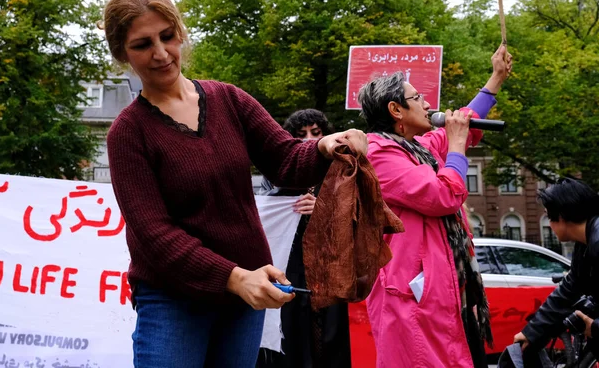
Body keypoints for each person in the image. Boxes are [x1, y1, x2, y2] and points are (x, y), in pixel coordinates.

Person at [102, 0, 367, 368]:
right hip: (172, 298)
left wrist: (326, 145)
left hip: (245, 292)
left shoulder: (229, 99)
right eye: (142, 44)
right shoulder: (128, 133)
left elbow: (285, 159)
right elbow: (156, 235)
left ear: (180, 33)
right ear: (122, 54)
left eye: (167, 36)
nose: (160, 53)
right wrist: (234, 277)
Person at [359, 45, 512, 367]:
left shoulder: (419, 148)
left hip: (444, 291)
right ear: (395, 110)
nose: (429, 104)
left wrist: (496, 77)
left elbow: (465, 119)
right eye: (417, 98)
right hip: (411, 296)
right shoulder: (379, 154)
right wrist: (456, 145)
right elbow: (442, 196)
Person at [256, 109, 351, 368]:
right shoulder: (276, 175)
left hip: (330, 272)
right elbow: (264, 214)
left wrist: (323, 208)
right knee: (292, 335)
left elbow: (357, 218)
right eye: (301, 135)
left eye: (316, 133)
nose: (309, 138)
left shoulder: (342, 172)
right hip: (290, 268)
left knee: (330, 338)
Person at [514, 178, 599, 359]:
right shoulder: (585, 243)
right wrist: (532, 332)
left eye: (547, 215)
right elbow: (569, 289)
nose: (549, 224)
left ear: (560, 216)